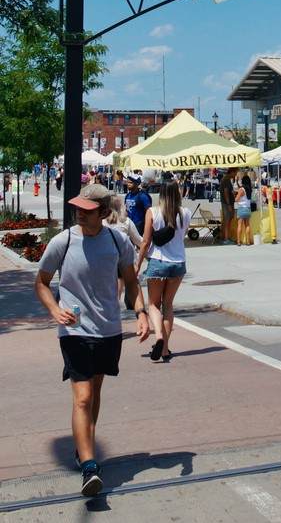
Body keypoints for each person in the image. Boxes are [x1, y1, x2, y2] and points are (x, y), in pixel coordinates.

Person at [34, 184, 150, 497]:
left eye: (86, 210)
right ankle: (89, 466)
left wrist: (140, 312)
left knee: (95, 392)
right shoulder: (64, 241)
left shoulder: (117, 240)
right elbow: (42, 283)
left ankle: (84, 443)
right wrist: (54, 309)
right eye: (77, 209)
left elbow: (131, 280)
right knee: (82, 397)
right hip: (74, 331)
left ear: (102, 212)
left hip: (109, 330)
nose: (78, 214)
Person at [136, 180, 190, 362]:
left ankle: (158, 335)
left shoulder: (153, 212)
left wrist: (138, 264)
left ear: (160, 193)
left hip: (158, 262)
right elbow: (182, 236)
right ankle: (165, 349)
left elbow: (145, 242)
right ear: (178, 193)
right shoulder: (186, 213)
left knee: (153, 304)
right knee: (168, 305)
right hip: (178, 263)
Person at [104, 196, 143, 300]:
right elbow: (139, 241)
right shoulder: (126, 222)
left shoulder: (102, 221)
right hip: (120, 262)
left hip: (103, 261)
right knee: (116, 296)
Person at [219, 167, 237, 244]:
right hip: (227, 203)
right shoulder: (226, 180)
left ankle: (225, 237)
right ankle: (226, 239)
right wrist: (229, 204)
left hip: (226, 203)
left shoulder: (226, 179)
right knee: (227, 220)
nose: (236, 174)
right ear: (232, 172)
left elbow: (228, 192)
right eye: (235, 173)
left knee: (227, 220)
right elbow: (226, 193)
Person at [234, 177, 252, 245]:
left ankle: (238, 242)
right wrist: (237, 181)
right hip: (248, 208)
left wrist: (235, 196)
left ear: (243, 181)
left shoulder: (241, 190)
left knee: (240, 225)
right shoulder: (249, 189)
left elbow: (237, 199)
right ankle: (248, 241)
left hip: (241, 208)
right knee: (247, 225)